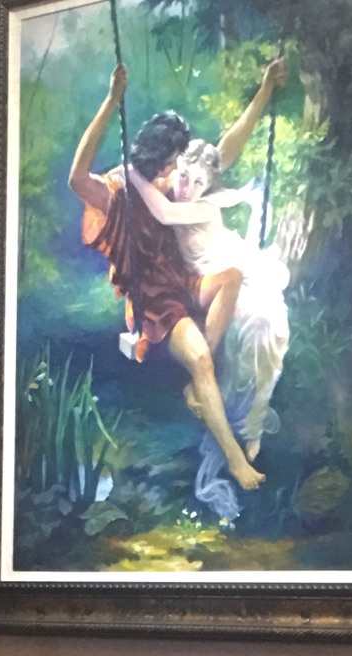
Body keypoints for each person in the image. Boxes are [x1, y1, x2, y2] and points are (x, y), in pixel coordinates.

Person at [69, 66, 264, 493]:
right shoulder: (119, 190)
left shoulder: (171, 178)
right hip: (156, 299)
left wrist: (264, 92)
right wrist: (111, 101)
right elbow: (77, 177)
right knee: (200, 359)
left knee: (231, 278)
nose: (179, 173)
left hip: (185, 279)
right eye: (175, 163)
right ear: (159, 159)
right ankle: (234, 459)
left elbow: (222, 155)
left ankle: (199, 379)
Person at [129, 135, 291, 466]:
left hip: (233, 268)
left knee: (267, 328)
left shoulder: (198, 206)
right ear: (177, 167)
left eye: (198, 183)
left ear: (207, 186)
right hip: (211, 281)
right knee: (255, 329)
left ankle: (253, 422)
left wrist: (130, 173)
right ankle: (237, 414)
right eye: (184, 176)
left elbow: (166, 213)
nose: (187, 187)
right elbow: (226, 158)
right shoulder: (172, 189)